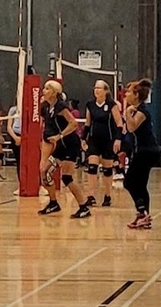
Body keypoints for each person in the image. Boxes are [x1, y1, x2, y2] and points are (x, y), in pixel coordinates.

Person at [38, 80, 90, 218]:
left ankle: (84, 206)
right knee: (44, 171)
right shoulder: (45, 107)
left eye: (47, 88)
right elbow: (46, 126)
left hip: (70, 145)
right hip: (60, 145)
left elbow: (73, 124)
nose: (44, 90)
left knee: (67, 178)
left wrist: (59, 136)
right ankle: (53, 202)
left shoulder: (61, 107)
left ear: (54, 92)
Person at [121, 78, 158, 229]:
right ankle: (143, 215)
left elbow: (131, 127)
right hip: (141, 151)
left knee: (129, 182)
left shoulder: (142, 111)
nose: (126, 94)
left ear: (136, 95)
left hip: (146, 151)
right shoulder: (137, 109)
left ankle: (143, 212)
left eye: (129, 92)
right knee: (140, 185)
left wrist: (127, 113)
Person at [83, 80, 124, 207]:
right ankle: (91, 196)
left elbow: (119, 124)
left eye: (99, 88)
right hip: (94, 140)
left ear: (106, 91)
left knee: (107, 169)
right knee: (92, 167)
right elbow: (87, 124)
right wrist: (83, 138)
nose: (96, 90)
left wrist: (118, 139)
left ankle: (107, 195)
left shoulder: (112, 105)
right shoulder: (90, 105)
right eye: (95, 88)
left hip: (108, 140)